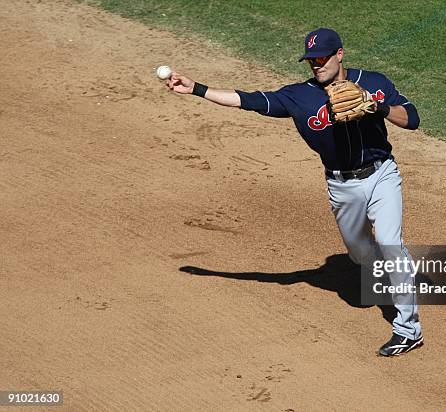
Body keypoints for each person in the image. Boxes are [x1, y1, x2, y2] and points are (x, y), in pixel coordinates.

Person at [167, 28, 422, 357]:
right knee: (362, 254)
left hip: (381, 175)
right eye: (310, 60)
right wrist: (197, 89)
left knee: (389, 242)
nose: (316, 65)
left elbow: (412, 118)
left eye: (322, 58)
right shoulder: (298, 96)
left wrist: (377, 108)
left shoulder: (373, 82)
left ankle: (408, 328)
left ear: (339, 54)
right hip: (341, 186)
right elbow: (249, 99)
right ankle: (388, 271)